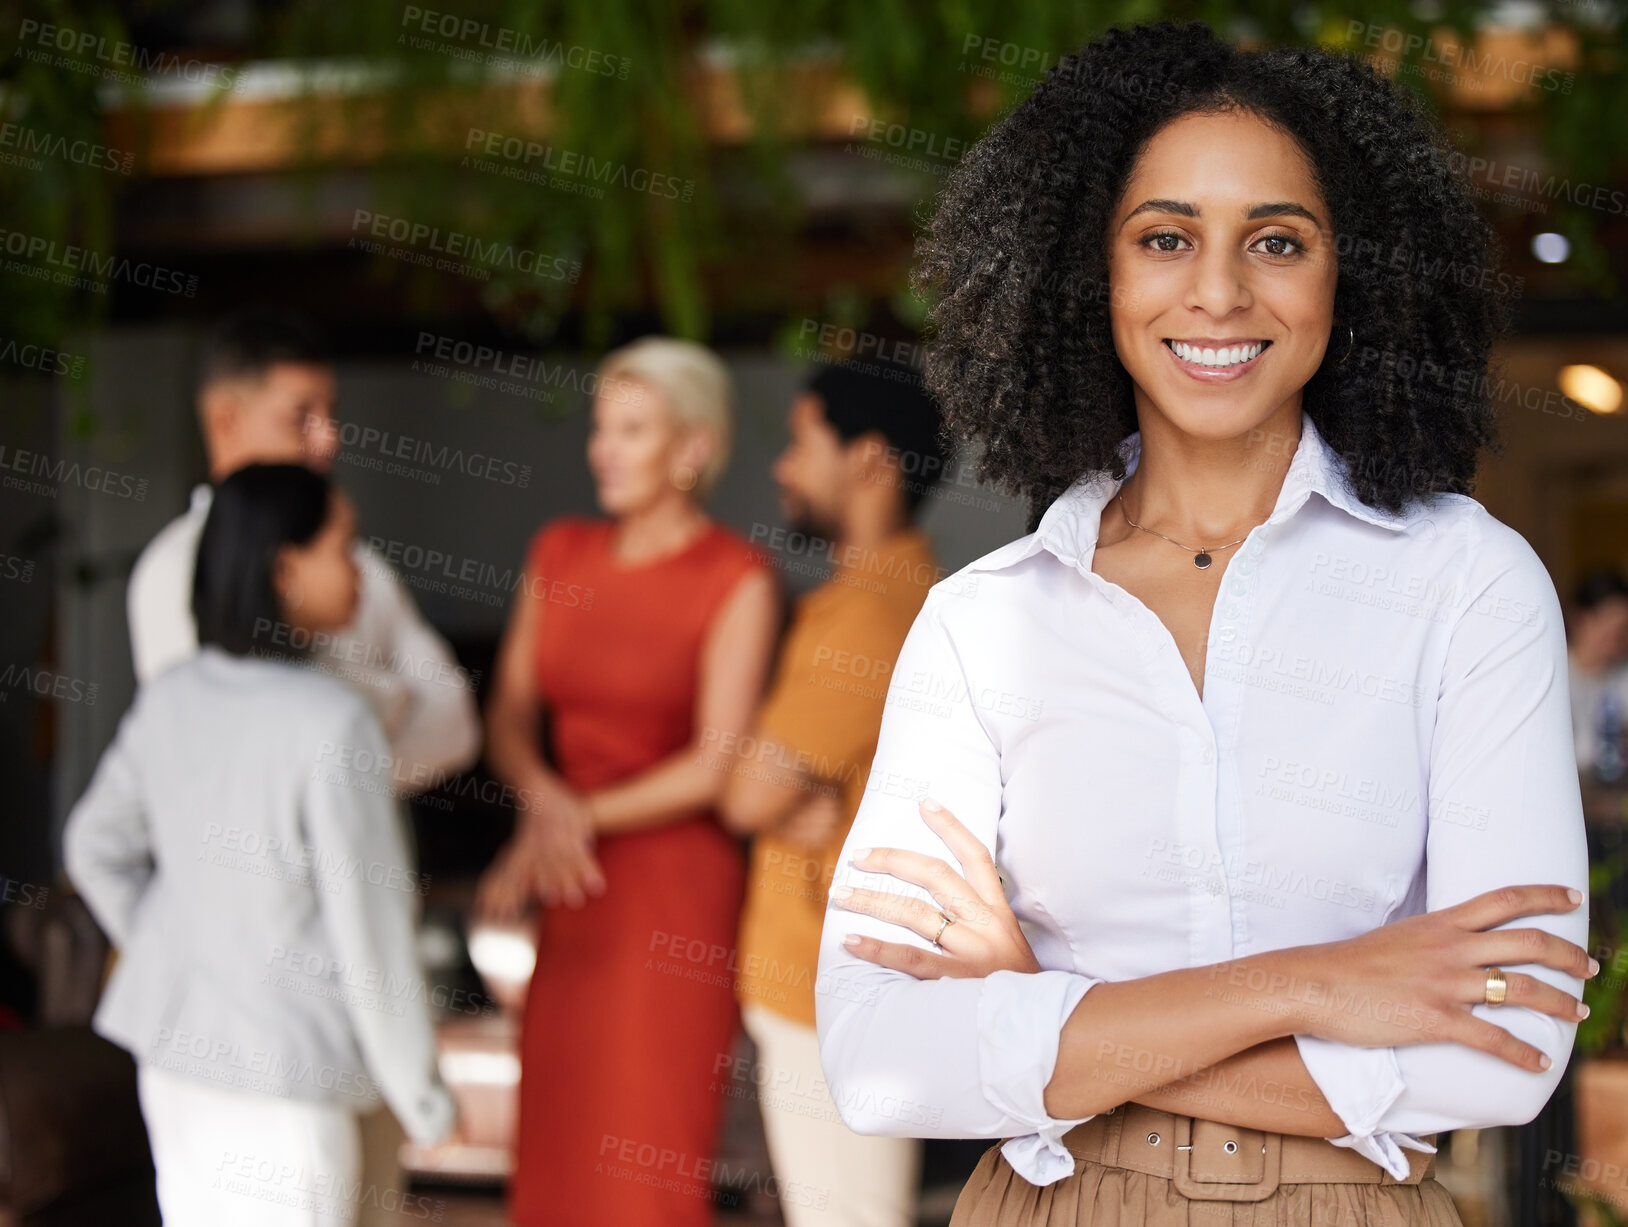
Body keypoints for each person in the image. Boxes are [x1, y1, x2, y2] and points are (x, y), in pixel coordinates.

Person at [814, 21, 1596, 1226]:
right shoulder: (981, 622)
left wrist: (1042, 1010)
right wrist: (1321, 984)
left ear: (1354, 270)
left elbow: (1503, 1046)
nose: (1218, 292)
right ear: (1089, 273)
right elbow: (879, 1059)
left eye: (1275, 241)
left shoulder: (1464, 585)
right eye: (1163, 238)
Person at [64, 464, 457, 1227]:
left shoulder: (174, 695)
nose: (358, 573)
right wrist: (426, 1098)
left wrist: (168, 945)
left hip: (175, 1063)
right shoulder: (333, 724)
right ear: (284, 568)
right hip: (285, 1083)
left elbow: (94, 843)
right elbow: (370, 939)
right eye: (343, 547)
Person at [474, 337, 781, 1227]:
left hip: (671, 903)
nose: (601, 448)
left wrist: (566, 816)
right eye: (602, 426)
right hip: (572, 891)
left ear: (692, 448)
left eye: (632, 428)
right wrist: (542, 797)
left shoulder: (736, 578)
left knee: (650, 1161)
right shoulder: (559, 553)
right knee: (560, 1150)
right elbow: (508, 712)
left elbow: (716, 761)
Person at [718, 354, 946, 1227]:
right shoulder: (891, 597)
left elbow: (744, 795)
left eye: (799, 440)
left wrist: (804, 802)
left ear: (869, 460)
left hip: (832, 985)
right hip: (834, 980)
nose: (782, 464)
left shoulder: (870, 617)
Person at [126, 305, 481, 791]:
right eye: (302, 416)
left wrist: (327, 758)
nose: (329, 439)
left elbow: (453, 722)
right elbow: (219, 751)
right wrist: (390, 697)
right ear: (225, 422)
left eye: (333, 414)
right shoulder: (176, 569)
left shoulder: (363, 568)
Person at [1566, 569, 1628, 780]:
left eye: (1622, 632)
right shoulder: (1552, 673)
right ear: (1579, 620)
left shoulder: (1621, 676)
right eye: (1609, 629)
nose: (1616, 640)